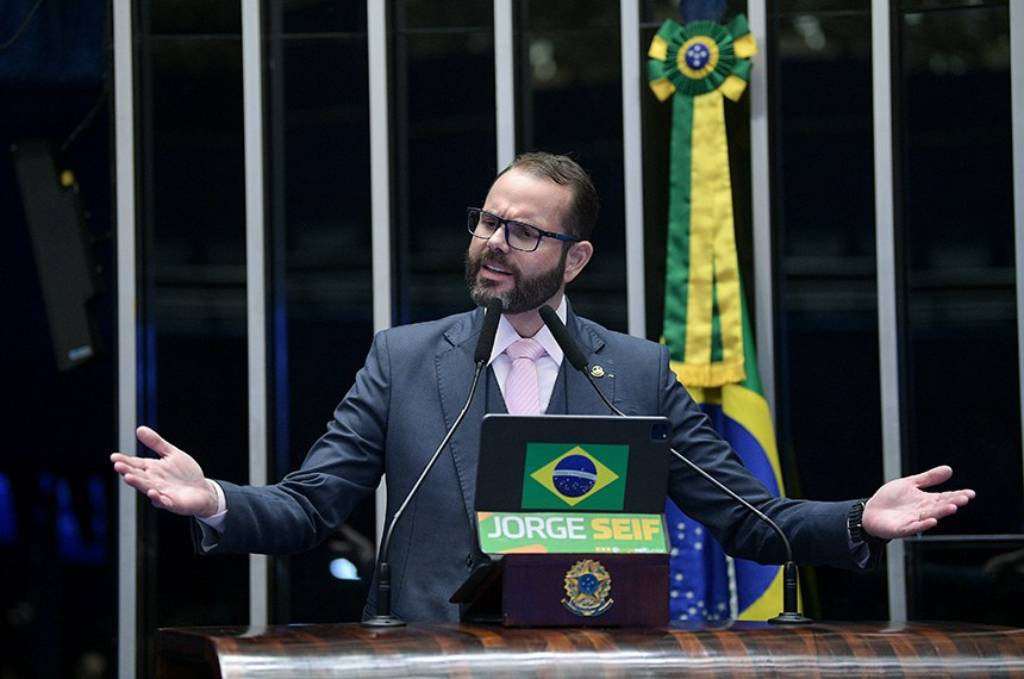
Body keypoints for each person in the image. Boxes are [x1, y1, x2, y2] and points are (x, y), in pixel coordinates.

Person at [111, 152, 975, 622]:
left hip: (593, 651)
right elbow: (307, 506)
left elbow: (748, 517)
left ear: (575, 257)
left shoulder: (634, 373)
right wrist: (213, 498)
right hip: (428, 661)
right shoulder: (405, 359)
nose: (493, 241)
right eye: (487, 220)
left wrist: (859, 516)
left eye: (522, 231)